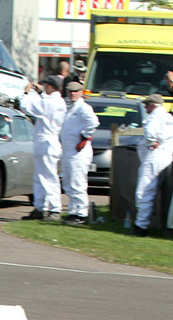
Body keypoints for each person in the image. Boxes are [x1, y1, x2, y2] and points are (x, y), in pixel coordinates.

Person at [19, 74, 66, 221]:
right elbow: (41, 102)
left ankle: (54, 209)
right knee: (40, 177)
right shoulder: (59, 101)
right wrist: (39, 92)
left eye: (46, 85)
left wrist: (26, 92)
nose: (44, 87)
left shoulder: (49, 103)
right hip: (49, 141)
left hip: (46, 141)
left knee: (48, 177)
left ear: (50, 86)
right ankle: (40, 207)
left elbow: (26, 106)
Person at [133, 93, 173, 236]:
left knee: (144, 192)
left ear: (153, 105)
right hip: (167, 156)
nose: (145, 107)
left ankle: (141, 226)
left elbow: (150, 133)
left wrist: (152, 141)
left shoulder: (153, 118)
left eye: (147, 105)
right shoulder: (169, 118)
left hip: (154, 157)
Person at [58, 82, 98, 226]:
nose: (72, 94)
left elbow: (93, 122)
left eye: (75, 91)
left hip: (79, 152)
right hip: (69, 151)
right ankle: (72, 211)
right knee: (68, 183)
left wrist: (85, 136)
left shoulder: (83, 107)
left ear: (81, 92)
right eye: (69, 91)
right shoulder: (71, 108)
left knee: (78, 183)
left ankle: (81, 214)